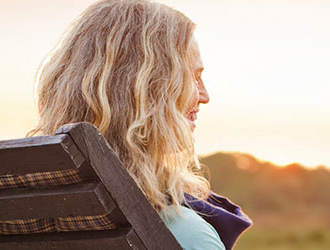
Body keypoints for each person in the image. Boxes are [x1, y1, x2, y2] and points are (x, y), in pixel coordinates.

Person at [32, 0, 251, 249]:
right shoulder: (184, 235)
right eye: (192, 76)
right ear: (149, 89)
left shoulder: (29, 214)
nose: (205, 95)